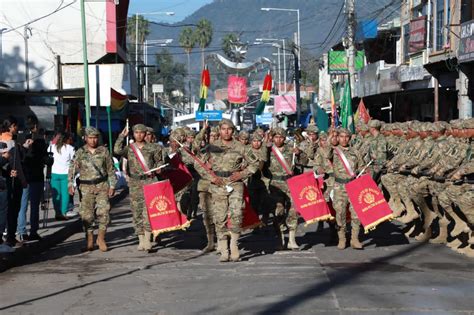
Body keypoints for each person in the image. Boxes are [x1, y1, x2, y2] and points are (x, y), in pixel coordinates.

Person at [208, 119, 258, 262]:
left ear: (233, 130)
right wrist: (210, 177)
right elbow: (199, 163)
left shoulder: (241, 147)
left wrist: (242, 174)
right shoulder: (212, 146)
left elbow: (254, 163)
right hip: (218, 184)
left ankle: (234, 244)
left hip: (235, 183)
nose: (226, 131)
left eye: (229, 129)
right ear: (219, 130)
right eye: (223, 129)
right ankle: (224, 250)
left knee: (236, 213)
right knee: (220, 217)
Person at [114, 124, 163, 252]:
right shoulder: (130, 149)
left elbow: (159, 161)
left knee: (149, 211)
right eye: (136, 133)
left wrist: (159, 168)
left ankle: (147, 239)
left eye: (142, 133)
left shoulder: (153, 148)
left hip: (149, 181)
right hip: (135, 183)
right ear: (133, 134)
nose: (139, 135)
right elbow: (117, 150)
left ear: (145, 134)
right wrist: (121, 136)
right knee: (137, 212)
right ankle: (140, 239)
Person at [69, 127, 116, 252]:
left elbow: (111, 170)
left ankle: (101, 238)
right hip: (85, 188)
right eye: (90, 138)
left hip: (102, 186)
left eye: (95, 137)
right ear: (85, 138)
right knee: (87, 216)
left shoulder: (104, 151)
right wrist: (70, 184)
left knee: (104, 213)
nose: (93, 140)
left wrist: (112, 186)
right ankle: (89, 239)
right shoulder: (80, 152)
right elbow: (72, 168)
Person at [263, 127, 300, 250]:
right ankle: (281, 238)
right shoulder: (269, 150)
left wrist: (299, 153)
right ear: (273, 138)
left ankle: (292, 239)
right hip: (276, 184)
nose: (278, 139)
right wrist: (265, 146)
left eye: (281, 137)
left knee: (293, 211)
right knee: (278, 212)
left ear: (284, 138)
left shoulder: (290, 149)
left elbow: (303, 161)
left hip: (290, 183)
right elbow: (261, 163)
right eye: (276, 137)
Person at [329, 128, 365, 250]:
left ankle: (355, 239)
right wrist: (331, 136)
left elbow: (361, 167)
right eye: (341, 137)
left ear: (349, 138)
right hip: (339, 187)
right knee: (340, 213)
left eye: (346, 137)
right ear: (338, 138)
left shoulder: (355, 152)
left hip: (353, 185)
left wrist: (364, 172)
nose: (344, 139)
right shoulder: (333, 151)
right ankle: (342, 238)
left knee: (356, 214)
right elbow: (324, 152)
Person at [19, 118, 48, 241]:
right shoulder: (40, 141)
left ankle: (22, 231)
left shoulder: (19, 140)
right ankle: (32, 231)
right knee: (33, 205)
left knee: (23, 205)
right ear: (35, 126)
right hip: (34, 176)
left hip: (25, 176)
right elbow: (44, 158)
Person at [2, 117, 28, 247]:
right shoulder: (10, 142)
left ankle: (9, 236)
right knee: (12, 209)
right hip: (11, 181)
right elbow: (15, 163)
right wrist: (23, 181)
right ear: (12, 126)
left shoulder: (10, 141)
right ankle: (10, 237)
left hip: (7, 179)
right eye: (16, 126)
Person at [49, 131, 76, 220]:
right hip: (66, 174)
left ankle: (57, 212)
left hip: (54, 173)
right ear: (67, 139)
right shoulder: (70, 148)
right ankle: (63, 213)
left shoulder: (51, 147)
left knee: (56, 195)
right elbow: (74, 161)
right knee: (65, 195)